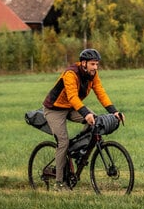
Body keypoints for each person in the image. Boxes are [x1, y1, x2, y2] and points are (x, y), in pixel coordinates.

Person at [42, 48, 123, 191]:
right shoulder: (70, 74)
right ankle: (59, 183)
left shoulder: (93, 75)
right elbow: (72, 97)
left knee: (95, 121)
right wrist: (86, 113)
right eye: (93, 64)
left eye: (97, 64)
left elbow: (100, 92)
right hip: (54, 109)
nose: (95, 67)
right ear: (84, 63)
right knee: (63, 142)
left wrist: (114, 111)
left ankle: (80, 150)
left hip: (72, 107)